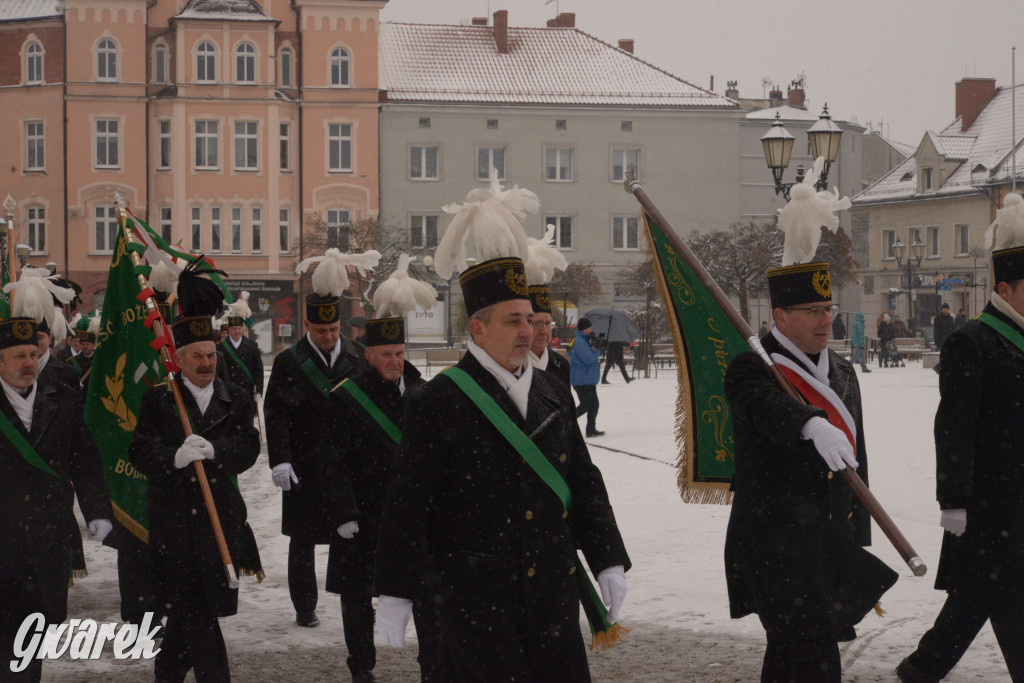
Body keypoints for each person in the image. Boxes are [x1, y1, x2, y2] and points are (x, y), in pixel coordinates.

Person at [374, 176, 630, 682]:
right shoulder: (439, 400)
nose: (529, 331)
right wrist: (395, 592)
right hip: (473, 603)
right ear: (478, 328)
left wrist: (607, 557)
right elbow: (408, 502)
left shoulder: (552, 391)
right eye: (514, 321)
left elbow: (582, 479)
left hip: (552, 596)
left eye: (531, 320)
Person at [725, 248, 897, 677]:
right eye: (813, 311)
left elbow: (855, 456)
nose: (826, 320)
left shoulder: (841, 370)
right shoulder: (751, 366)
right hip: (774, 543)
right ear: (780, 317)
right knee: (811, 652)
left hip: (827, 540)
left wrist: (857, 533)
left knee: (795, 657)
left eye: (828, 309)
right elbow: (761, 406)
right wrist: (809, 423)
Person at [896, 218, 1024, 683]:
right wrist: (952, 499)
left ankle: (922, 668)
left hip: (1017, 503)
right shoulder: (971, 341)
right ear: (1006, 289)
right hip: (988, 503)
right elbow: (953, 426)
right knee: (1000, 592)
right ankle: (922, 668)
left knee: (983, 595)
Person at [129, 285, 261, 682]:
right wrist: (175, 457)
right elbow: (139, 451)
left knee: (194, 613)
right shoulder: (158, 400)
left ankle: (167, 673)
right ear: (179, 359)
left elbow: (250, 447)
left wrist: (215, 451)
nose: (207, 363)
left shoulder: (235, 398)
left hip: (220, 517)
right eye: (198, 356)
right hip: (175, 524)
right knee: (196, 611)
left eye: (211, 355)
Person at [321, 261, 440, 683]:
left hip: (411, 517)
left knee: (425, 596)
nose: (394, 361)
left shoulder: (425, 394)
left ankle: (433, 665)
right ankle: (362, 666)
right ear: (368, 355)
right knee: (357, 599)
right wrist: (343, 513)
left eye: (399, 353)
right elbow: (330, 462)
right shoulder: (346, 398)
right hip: (364, 515)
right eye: (386, 354)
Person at [264, 248, 376, 628]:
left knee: (350, 536)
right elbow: (275, 413)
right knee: (303, 541)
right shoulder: (288, 361)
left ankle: (354, 599)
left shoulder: (359, 358)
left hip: (347, 468)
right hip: (304, 466)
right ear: (307, 327)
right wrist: (280, 458)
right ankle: (304, 606)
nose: (328, 338)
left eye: (333, 331)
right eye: (321, 331)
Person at [0, 315, 113, 683]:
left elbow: (85, 459)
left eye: (33, 353)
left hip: (46, 537)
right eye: (18, 356)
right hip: (2, 538)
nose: (29, 363)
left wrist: (97, 511)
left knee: (34, 630)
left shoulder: (61, 397)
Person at [219, 300, 264, 398]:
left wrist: (259, 389)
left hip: (247, 391)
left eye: (239, 328)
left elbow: (258, 369)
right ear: (229, 330)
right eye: (234, 329)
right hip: (228, 393)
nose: (237, 331)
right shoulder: (220, 348)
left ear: (243, 328)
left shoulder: (252, 346)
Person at [527, 285, 570, 386]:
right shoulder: (511, 365)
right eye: (537, 324)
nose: (544, 331)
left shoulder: (561, 365)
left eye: (548, 324)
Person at [570, 318, 604, 437]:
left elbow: (592, 354)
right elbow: (588, 359)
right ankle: (567, 423)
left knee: (594, 405)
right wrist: (597, 350)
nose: (592, 329)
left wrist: (598, 345)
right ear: (585, 329)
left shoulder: (586, 340)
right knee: (585, 405)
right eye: (590, 327)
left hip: (588, 379)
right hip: (581, 380)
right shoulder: (579, 342)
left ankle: (591, 429)